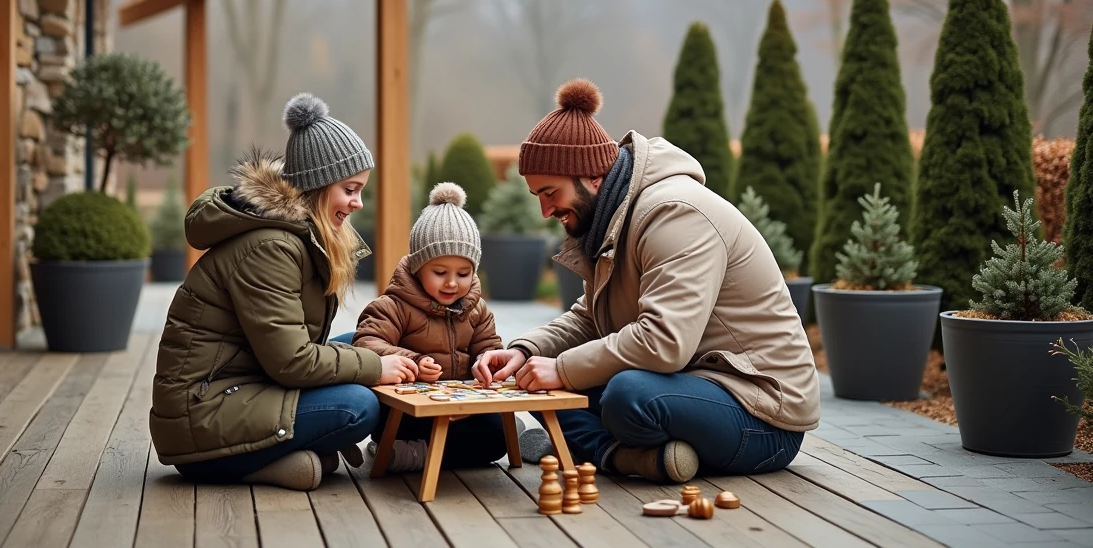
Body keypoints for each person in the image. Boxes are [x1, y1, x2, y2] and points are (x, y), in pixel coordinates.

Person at [473, 78, 820, 484]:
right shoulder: (611, 220)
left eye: (551, 192)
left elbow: (664, 342)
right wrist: (526, 351)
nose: (546, 210)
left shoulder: (675, 214)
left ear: (594, 177)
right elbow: (591, 317)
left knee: (628, 394)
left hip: (761, 412)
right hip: (689, 387)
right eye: (538, 196)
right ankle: (634, 459)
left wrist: (563, 369)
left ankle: (607, 448)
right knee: (538, 385)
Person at [149, 93, 418, 491]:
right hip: (204, 414)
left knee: (367, 342)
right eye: (350, 189)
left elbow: (293, 350)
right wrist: (378, 369)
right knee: (358, 405)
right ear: (319, 185)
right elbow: (292, 362)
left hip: (250, 382)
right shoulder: (270, 248)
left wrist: (376, 357)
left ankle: (297, 454)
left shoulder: (298, 238)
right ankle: (257, 464)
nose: (358, 203)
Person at [346, 182, 508, 472]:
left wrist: (488, 361)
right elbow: (366, 342)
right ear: (418, 268)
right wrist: (415, 362)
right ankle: (401, 449)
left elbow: (490, 346)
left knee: (499, 434)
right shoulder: (394, 305)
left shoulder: (477, 310)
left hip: (457, 409)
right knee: (388, 420)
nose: (452, 283)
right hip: (408, 412)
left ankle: (413, 455)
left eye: (463, 273)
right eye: (440, 272)